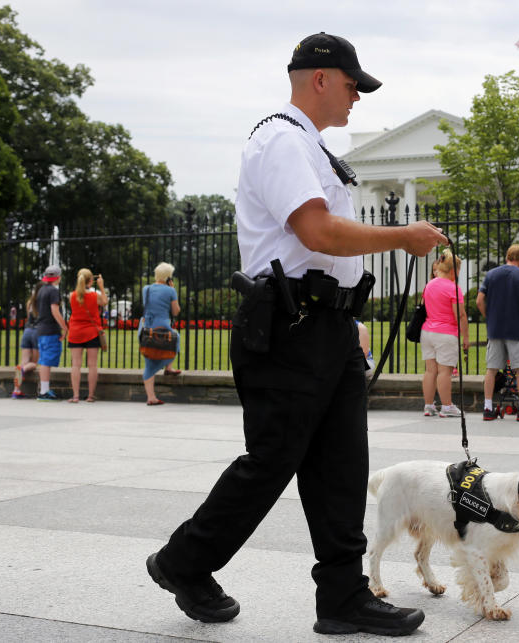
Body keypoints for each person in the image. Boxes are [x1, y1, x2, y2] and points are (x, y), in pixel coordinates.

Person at [146, 33, 445, 637]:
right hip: (289, 326)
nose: (359, 96)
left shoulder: (310, 146)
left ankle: (343, 597)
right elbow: (317, 232)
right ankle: (184, 562)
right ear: (320, 78)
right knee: (273, 459)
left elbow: (324, 245)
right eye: (354, 84)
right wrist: (403, 237)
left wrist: (349, 321)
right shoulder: (281, 139)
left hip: (324, 326)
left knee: (340, 464)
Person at [477, 244, 519, 421]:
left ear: (507, 256)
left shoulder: (491, 275)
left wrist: (488, 317)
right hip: (517, 329)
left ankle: (488, 408)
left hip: (495, 328)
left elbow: (479, 300)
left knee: (491, 369)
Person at [420, 249, 469, 417]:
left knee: (430, 371)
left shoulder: (429, 285)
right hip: (446, 333)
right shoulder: (453, 288)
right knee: (444, 372)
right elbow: (460, 315)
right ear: (453, 270)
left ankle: (428, 405)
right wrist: (466, 336)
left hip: (427, 331)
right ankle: (447, 406)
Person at [141, 262, 181, 405]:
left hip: (147, 328)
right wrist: (172, 290)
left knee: (149, 361)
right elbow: (176, 311)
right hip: (163, 327)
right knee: (175, 339)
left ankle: (150, 397)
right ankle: (168, 367)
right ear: (168, 277)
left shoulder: (146, 289)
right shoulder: (170, 291)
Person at [66, 269, 108, 403]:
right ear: (91, 281)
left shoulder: (71, 295)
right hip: (92, 332)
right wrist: (101, 286)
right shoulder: (95, 296)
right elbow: (104, 302)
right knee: (92, 365)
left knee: (76, 365)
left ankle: (76, 396)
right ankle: (90, 395)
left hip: (75, 332)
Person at [34, 265, 68, 400]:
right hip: (50, 330)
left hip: (41, 329)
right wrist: (65, 327)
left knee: (44, 360)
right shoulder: (53, 291)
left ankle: (44, 389)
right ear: (58, 277)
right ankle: (44, 392)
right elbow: (55, 310)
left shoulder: (41, 290)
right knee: (46, 361)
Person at [12, 282, 44, 399]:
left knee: (24, 361)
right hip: (37, 332)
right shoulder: (42, 304)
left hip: (27, 331)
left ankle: (16, 390)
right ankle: (23, 369)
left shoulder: (30, 302)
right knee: (34, 363)